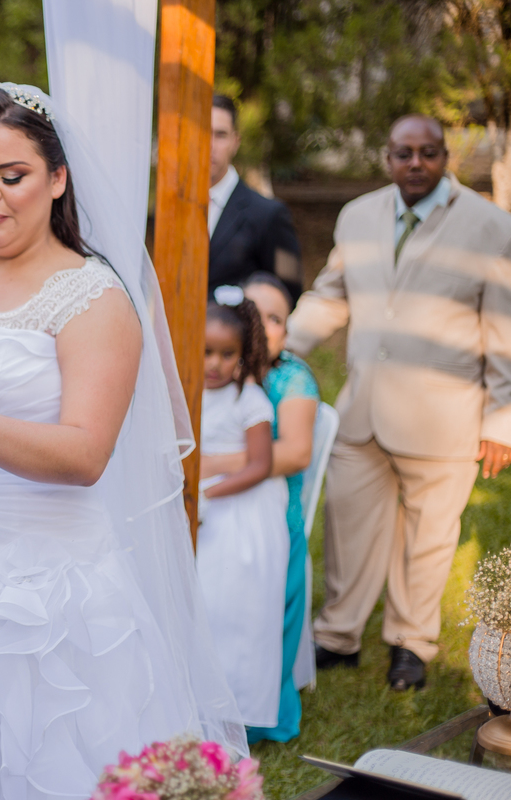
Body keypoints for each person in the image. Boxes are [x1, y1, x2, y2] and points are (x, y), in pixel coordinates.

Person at [0, 84, 246, 800]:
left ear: (57, 178)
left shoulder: (92, 297)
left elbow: (85, 454)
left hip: (42, 604)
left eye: (12, 175)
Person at [287, 113, 511, 692]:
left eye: (428, 152)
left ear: (445, 158)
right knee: (347, 529)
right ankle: (337, 635)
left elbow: (504, 332)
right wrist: (271, 348)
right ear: (387, 157)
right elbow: (331, 295)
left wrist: (501, 421)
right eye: (403, 153)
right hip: (362, 411)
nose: (416, 163)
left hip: (446, 418)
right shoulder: (357, 216)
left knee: (429, 539)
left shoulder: (489, 225)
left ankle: (411, 642)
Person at [196, 288, 288, 731]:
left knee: (228, 606)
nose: (214, 364)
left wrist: (206, 495)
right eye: (206, 352)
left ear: (243, 354)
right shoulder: (190, 393)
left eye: (225, 354)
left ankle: (236, 711)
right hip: (198, 499)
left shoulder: (249, 401)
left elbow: (260, 466)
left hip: (239, 508)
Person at [241, 271, 319, 743]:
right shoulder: (215, 367)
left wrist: (211, 462)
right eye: (253, 313)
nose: (262, 325)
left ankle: (262, 710)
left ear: (285, 334)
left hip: (273, 518)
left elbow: (295, 453)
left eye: (275, 319)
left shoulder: (292, 376)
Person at [208, 95, 302, 301]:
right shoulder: (172, 212)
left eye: (220, 135)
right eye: (202, 133)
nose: (210, 145)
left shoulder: (269, 214)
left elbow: (289, 292)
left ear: (235, 142)